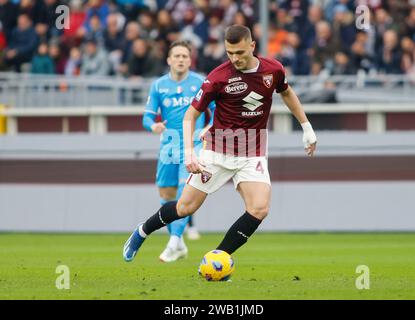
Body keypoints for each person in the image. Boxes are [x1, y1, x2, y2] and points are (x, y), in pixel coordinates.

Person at [123, 25, 317, 263]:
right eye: (229, 53)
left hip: (252, 151)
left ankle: (218, 258)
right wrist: (189, 155)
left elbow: (286, 93)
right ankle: (142, 231)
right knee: (185, 208)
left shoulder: (273, 70)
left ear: (252, 46)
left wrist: (306, 127)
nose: (234, 58)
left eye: (240, 53)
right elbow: (190, 116)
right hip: (217, 151)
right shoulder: (217, 77)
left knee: (259, 208)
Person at [142, 40, 214, 262]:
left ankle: (173, 243)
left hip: (193, 146)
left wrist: (210, 127)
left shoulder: (201, 83)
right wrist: (153, 126)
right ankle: (179, 242)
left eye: (185, 56)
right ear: (169, 60)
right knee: (166, 196)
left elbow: (217, 110)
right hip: (168, 145)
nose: (181, 59)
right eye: (177, 56)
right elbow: (146, 116)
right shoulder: (158, 85)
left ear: (190, 60)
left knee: (185, 193)